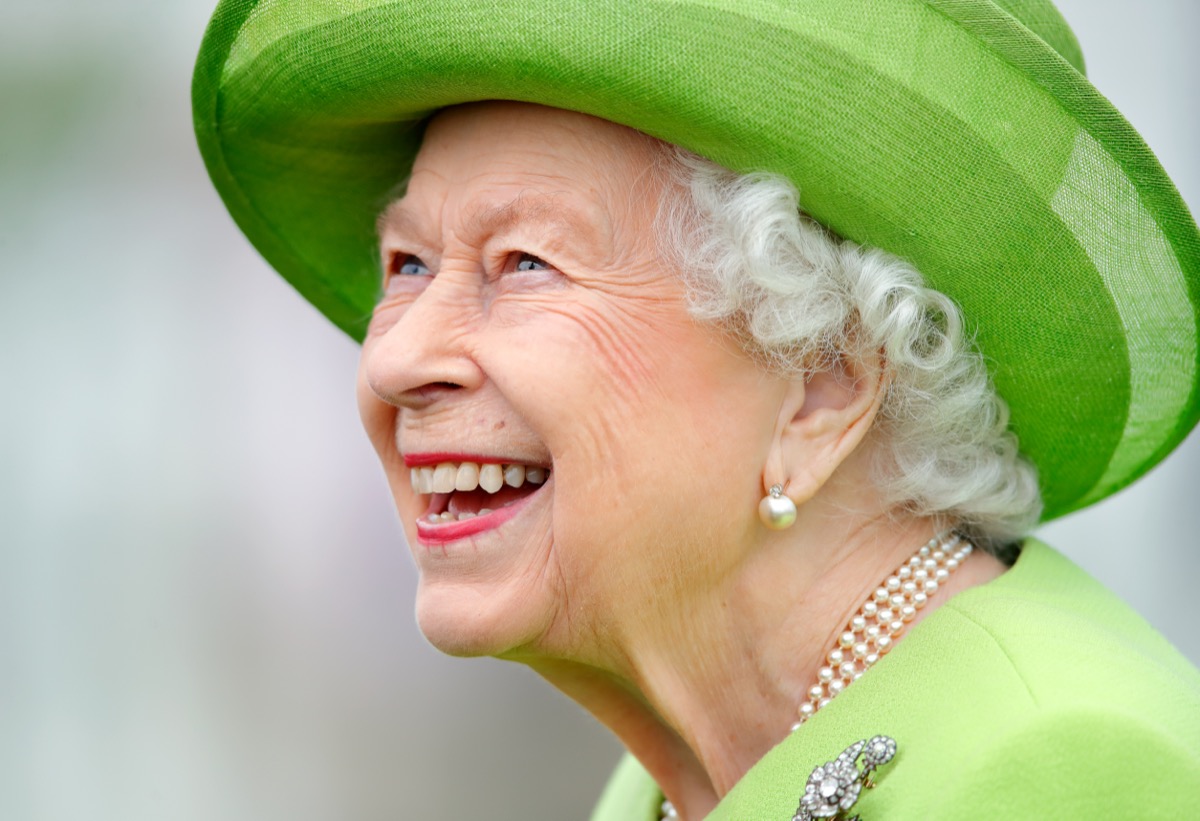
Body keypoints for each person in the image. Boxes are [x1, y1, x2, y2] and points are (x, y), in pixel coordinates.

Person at [193, 1, 1200, 817]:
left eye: (524, 264)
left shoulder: (1058, 769)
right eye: (406, 264)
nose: (397, 354)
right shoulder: (672, 782)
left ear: (821, 384)